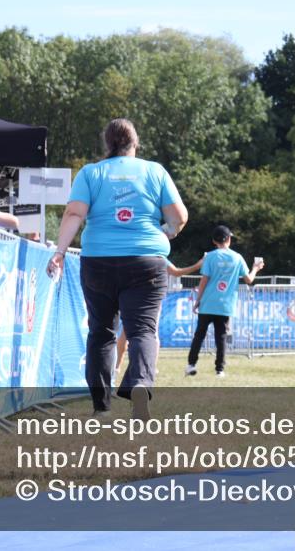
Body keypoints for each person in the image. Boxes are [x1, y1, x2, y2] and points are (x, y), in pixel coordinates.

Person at [46, 118, 188, 420]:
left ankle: (101, 404)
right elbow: (179, 216)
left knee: (101, 332)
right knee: (143, 331)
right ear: (135, 143)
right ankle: (140, 386)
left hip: (99, 260)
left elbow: (74, 213)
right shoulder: (154, 171)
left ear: (106, 144)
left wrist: (60, 251)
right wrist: (167, 232)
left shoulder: (91, 173)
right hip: (146, 260)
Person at [186, 226, 265, 377]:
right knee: (221, 337)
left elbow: (204, 280)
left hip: (208, 303)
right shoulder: (237, 257)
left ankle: (191, 365)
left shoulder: (210, 257)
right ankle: (219, 370)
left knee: (199, 335)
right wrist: (256, 268)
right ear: (229, 239)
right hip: (225, 305)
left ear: (214, 241)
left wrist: (198, 300)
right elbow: (249, 279)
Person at [114, 256, 204, 375]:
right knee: (151, 333)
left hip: (133, 296)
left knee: (126, 331)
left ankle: (118, 366)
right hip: (151, 299)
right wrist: (198, 265)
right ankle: (150, 366)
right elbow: (176, 272)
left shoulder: (133, 254)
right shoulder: (158, 254)